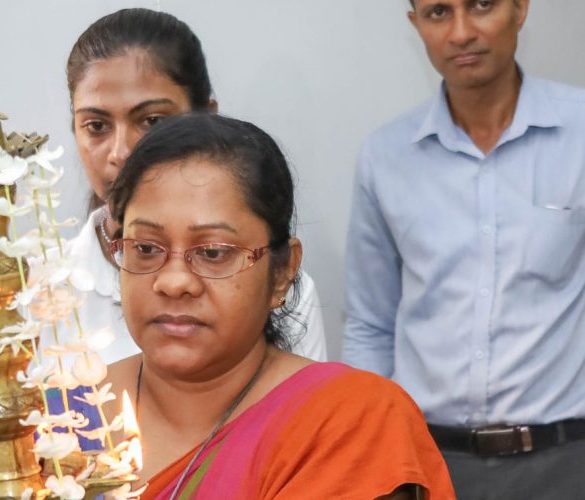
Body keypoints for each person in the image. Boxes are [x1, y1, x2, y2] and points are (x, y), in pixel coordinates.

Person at [105, 113, 454, 499]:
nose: (173, 282)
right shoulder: (68, 417)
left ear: (283, 272)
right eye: (145, 248)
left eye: (214, 252)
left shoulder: (349, 420)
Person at [343, 0, 585, 497]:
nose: (460, 32)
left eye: (480, 5)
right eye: (438, 12)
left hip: (566, 461)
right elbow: (369, 322)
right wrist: (376, 452)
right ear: (415, 24)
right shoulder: (386, 157)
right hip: (428, 463)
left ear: (520, 8)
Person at [61, 8, 327, 363]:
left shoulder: (272, 282)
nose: (121, 152)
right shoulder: (34, 291)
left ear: (207, 118)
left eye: (152, 121)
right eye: (96, 126)